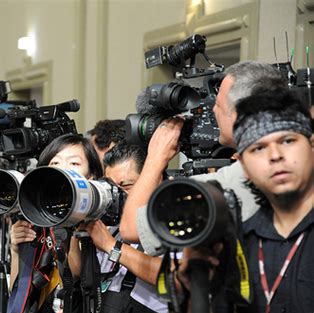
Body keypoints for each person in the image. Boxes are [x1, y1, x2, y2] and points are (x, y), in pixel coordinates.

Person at [119, 61, 289, 255]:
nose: (214, 111)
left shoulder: (231, 184)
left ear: (238, 115)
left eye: (217, 104)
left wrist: (156, 157)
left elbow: (131, 227)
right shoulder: (295, 166)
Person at [178, 89, 313, 313]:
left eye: (288, 141)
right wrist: (199, 288)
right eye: (258, 148)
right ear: (243, 166)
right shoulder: (236, 245)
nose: (275, 155)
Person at [8, 134, 103, 313]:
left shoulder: (97, 224)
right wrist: (15, 250)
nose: (63, 169)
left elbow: (76, 276)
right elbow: (18, 294)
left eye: (74, 163)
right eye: (55, 163)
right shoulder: (37, 220)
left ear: (91, 175)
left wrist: (74, 224)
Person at [84, 141, 168, 313]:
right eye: (111, 187)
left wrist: (111, 246)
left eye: (126, 186)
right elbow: (81, 274)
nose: (117, 195)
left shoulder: (173, 220)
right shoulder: (109, 222)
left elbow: (170, 277)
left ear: (154, 178)